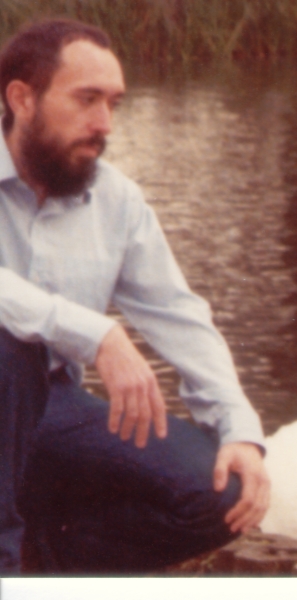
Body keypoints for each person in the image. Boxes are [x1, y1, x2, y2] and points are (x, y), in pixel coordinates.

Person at [0, 18, 270, 573]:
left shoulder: (115, 199)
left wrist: (240, 430)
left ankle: (49, 564)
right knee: (10, 351)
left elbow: (178, 314)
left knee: (221, 495)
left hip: (51, 406)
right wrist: (96, 334)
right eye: (87, 99)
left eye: (114, 104)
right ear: (21, 99)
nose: (105, 124)